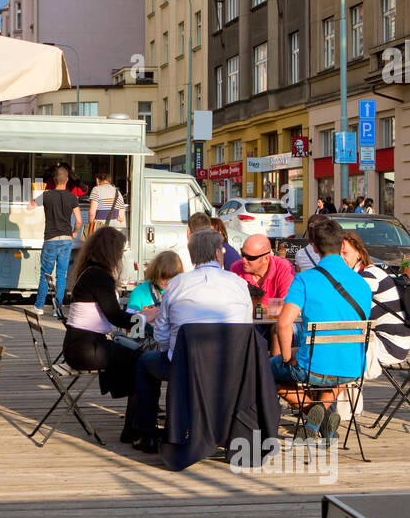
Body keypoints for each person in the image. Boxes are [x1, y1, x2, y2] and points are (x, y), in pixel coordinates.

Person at [129, 230, 253, 452]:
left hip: (185, 366)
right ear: (218, 253)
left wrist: (174, 351)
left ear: (192, 255)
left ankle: (146, 432)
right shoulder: (238, 284)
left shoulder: (177, 285)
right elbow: (246, 327)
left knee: (145, 362)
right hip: (229, 367)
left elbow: (161, 336)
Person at [272, 219, 372, 440]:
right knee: (339, 375)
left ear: (314, 247)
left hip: (314, 368)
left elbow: (284, 323)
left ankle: (310, 410)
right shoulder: (362, 284)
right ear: (341, 245)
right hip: (353, 366)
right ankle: (323, 418)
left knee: (267, 371)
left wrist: (288, 358)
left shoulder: (305, 280)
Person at [61, 227, 141, 435]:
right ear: (111, 252)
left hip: (77, 345)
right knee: (142, 361)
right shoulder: (99, 276)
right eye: (120, 252)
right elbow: (114, 316)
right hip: (86, 348)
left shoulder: (89, 272)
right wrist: (143, 317)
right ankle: (134, 428)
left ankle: (134, 423)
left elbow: (111, 314)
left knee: (132, 356)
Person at [339, 231, 410, 381]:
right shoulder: (362, 274)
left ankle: (334, 402)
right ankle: (336, 401)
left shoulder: (368, 276)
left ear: (359, 253)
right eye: (338, 253)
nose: (341, 257)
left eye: (345, 252)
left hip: (390, 345)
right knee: (338, 347)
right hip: (387, 340)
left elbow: (348, 310)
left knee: (339, 352)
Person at [29, 165, 80, 314]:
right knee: (61, 275)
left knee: (46, 274)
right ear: (67, 180)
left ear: (54, 180)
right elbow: (78, 220)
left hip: (50, 239)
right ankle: (57, 309)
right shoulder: (72, 197)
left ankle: (39, 307)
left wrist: (39, 194)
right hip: (66, 239)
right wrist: (74, 231)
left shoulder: (47, 195)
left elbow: (29, 207)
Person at [229, 233, 295, 301]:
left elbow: (288, 304)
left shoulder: (283, 268)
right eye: (242, 254)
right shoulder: (236, 268)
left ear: (265, 259)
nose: (244, 260)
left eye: (250, 257)